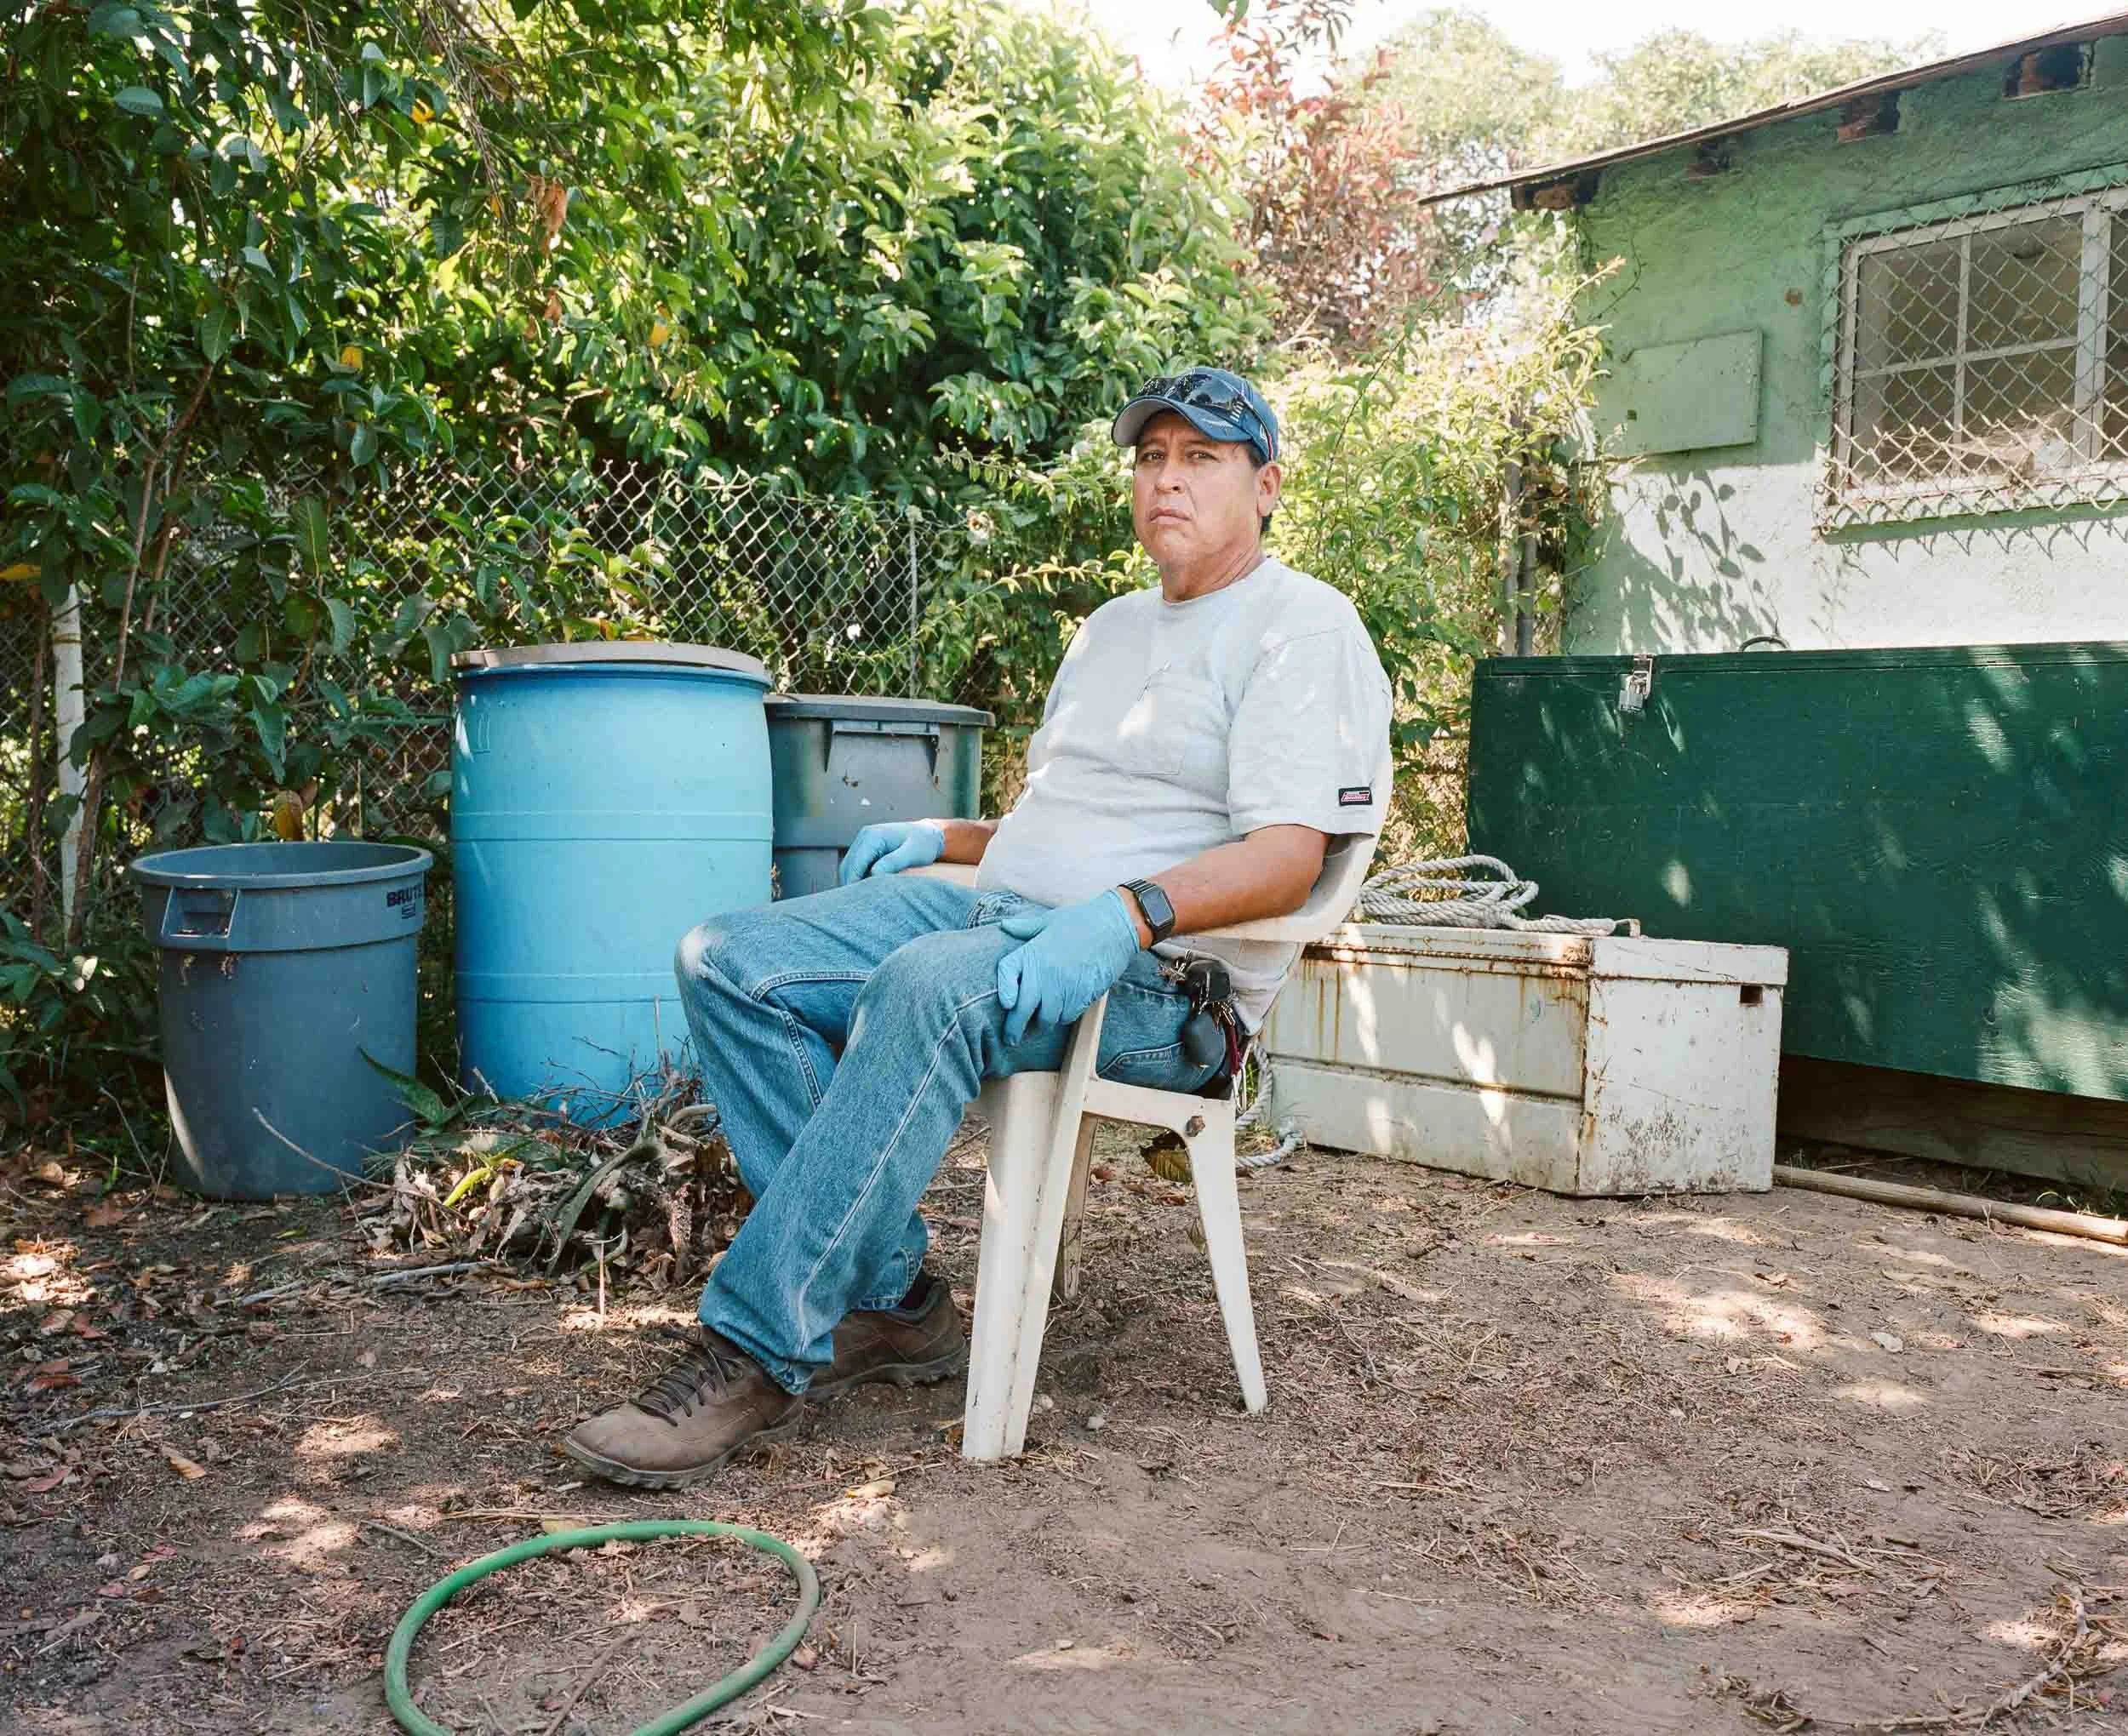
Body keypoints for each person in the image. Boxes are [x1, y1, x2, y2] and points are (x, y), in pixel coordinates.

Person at [563, 367, 1393, 1488]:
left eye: (1200, 459)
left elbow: (1288, 858)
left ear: (1268, 485)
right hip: (1008, 909)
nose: (1167, 480)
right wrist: (947, 835)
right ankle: (890, 1299)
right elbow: (1070, 822)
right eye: (1151, 458)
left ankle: (757, 1348)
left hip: (1160, 988)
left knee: (927, 983)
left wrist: (1123, 917)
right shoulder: (1108, 631)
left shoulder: (1303, 626)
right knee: (731, 960)